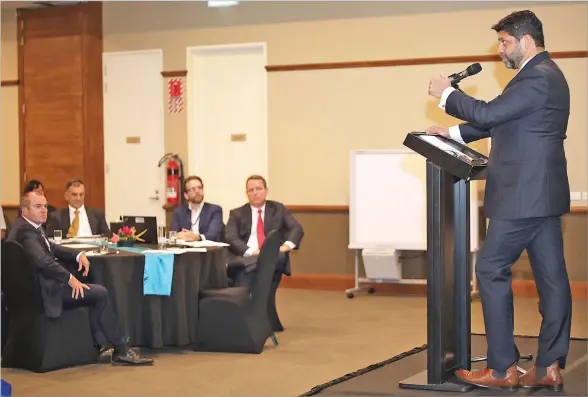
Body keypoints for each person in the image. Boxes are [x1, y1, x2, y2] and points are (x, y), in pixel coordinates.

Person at [426, 10, 571, 391]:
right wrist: (454, 134)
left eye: (505, 43)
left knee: (490, 270)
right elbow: (502, 120)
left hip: (521, 197)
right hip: (542, 195)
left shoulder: (536, 77)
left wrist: (446, 93)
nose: (501, 51)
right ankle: (547, 367)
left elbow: (490, 112)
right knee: (552, 280)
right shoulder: (545, 76)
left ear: (526, 42)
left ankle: (502, 366)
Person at [8, 191, 153, 366]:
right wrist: (70, 279)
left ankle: (102, 344)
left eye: (45, 206)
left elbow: (51, 248)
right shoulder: (26, 232)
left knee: (93, 290)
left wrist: (78, 255)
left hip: (36, 290)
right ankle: (120, 349)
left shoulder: (28, 227)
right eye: (38, 206)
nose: (44, 210)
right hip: (46, 293)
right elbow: (43, 262)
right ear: (24, 210)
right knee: (100, 293)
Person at [225, 175, 304, 331]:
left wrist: (286, 246)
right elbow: (230, 237)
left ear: (266, 191)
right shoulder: (237, 214)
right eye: (251, 190)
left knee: (274, 257)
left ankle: (250, 265)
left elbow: (297, 228)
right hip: (248, 255)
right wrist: (252, 252)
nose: (255, 193)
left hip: (272, 256)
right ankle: (252, 264)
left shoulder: (278, 209)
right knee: (253, 265)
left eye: (259, 189)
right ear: (246, 193)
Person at [46, 179, 111, 238]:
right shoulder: (56, 217)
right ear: (66, 196)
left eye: (81, 194)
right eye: (74, 195)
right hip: (68, 250)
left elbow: (107, 237)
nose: (78, 198)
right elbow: (51, 240)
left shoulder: (98, 215)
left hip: (93, 249)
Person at [170, 176, 224, 242]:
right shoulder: (179, 212)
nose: (197, 191)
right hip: (185, 250)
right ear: (186, 195)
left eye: (200, 188)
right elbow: (173, 235)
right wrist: (181, 235)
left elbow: (213, 235)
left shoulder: (214, 210)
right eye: (193, 189)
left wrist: (196, 237)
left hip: (208, 250)